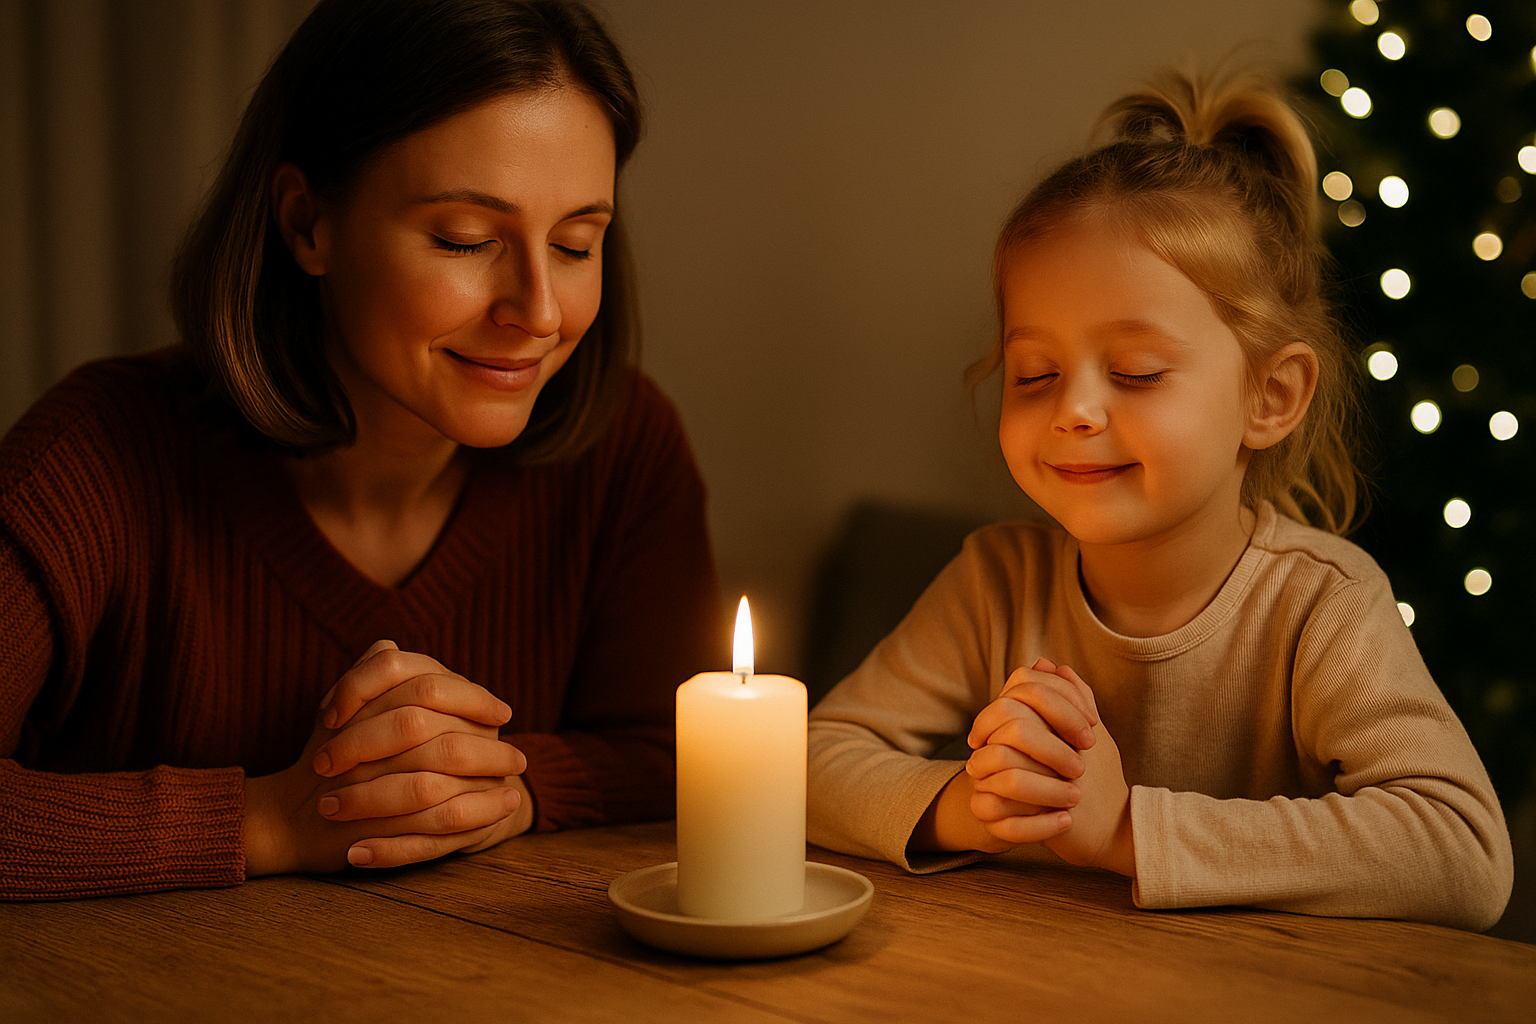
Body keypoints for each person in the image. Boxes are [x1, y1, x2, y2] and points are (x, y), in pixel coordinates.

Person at [0, 0, 720, 900]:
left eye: (577, 243)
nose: (538, 311)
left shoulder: (624, 446)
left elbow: (686, 747)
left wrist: (507, 785)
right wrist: (271, 819)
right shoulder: (92, 460)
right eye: (466, 239)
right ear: (308, 223)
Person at [806, 69, 1513, 931]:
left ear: (1271, 398)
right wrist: (971, 803)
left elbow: (1464, 852)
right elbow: (801, 760)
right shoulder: (996, 580)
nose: (1073, 410)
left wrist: (1124, 829)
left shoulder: (1321, 602)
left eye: (1137, 372)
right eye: (1035, 374)